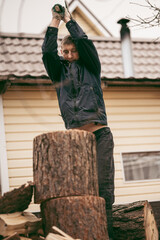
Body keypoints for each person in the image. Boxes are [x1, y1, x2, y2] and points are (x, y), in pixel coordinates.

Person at [42, 5, 115, 239]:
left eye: (73, 51)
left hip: (99, 136)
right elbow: (46, 53)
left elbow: (85, 43)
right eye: (66, 51)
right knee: (79, 189)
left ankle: (108, 232)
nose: (70, 55)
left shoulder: (91, 66)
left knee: (103, 189)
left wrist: (69, 20)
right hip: (75, 140)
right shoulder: (58, 72)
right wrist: (55, 21)